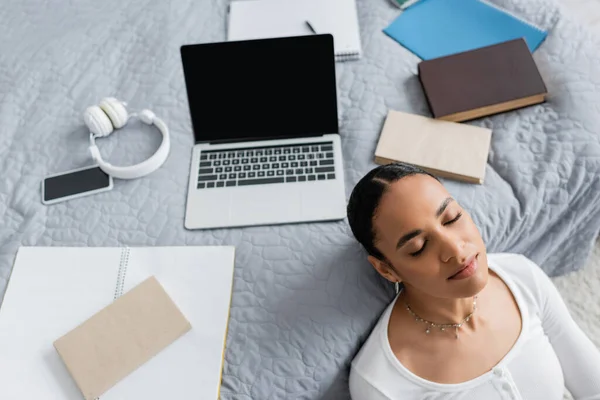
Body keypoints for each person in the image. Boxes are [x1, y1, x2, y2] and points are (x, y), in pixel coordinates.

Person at [346, 162, 600, 399]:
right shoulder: (380, 384)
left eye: (452, 218)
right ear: (386, 269)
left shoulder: (521, 277)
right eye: (419, 247)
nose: (456, 250)